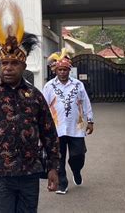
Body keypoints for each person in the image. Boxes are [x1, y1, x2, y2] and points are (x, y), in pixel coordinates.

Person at [0, 0, 60, 213]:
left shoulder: (34, 96)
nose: (8, 68)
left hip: (29, 173)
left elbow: (49, 134)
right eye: (4, 63)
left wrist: (54, 167)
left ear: (23, 65)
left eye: (14, 63)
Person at [42, 49, 94, 195]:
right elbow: (43, 107)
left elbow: (86, 103)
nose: (63, 72)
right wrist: (42, 126)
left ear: (69, 70)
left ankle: (76, 170)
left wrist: (90, 121)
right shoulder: (49, 86)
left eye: (65, 69)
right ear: (55, 70)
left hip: (76, 127)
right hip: (56, 128)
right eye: (60, 69)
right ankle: (62, 183)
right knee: (59, 157)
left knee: (78, 155)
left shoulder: (78, 85)